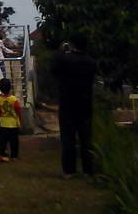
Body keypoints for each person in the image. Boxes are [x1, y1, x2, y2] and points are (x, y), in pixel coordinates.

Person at [51, 32, 97, 178]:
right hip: (85, 103)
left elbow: (53, 69)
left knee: (68, 138)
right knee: (86, 138)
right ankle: (88, 170)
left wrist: (61, 52)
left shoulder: (65, 60)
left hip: (67, 103)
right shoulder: (91, 62)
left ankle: (69, 170)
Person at [0, 77, 22, 162]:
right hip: (13, 124)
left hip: (3, 124)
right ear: (10, 87)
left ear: (0, 89)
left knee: (2, 141)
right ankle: (14, 156)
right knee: (14, 141)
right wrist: (20, 120)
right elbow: (18, 110)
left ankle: (1, 154)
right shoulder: (14, 99)